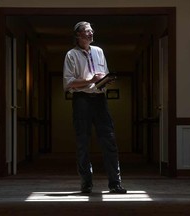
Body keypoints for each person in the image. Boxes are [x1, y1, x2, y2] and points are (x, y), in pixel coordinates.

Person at [63, 21, 126, 194]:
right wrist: (90, 80)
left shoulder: (99, 52)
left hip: (99, 99)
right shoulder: (71, 55)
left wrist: (105, 80)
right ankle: (86, 183)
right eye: (87, 31)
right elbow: (68, 84)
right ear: (78, 35)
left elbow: (102, 76)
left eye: (91, 31)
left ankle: (115, 183)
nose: (91, 33)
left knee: (109, 140)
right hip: (81, 99)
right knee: (83, 142)